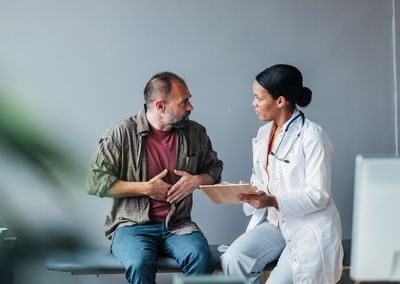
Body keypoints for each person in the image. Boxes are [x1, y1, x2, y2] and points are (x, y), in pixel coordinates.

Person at [87, 71, 223, 284]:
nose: (190, 107)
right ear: (160, 106)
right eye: (184, 102)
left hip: (177, 225)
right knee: (139, 264)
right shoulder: (121, 134)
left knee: (201, 258)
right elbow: (95, 182)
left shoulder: (195, 133)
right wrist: (145, 188)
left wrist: (197, 180)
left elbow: (214, 170)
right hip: (131, 226)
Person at [221, 64, 343, 283]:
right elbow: (262, 178)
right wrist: (249, 190)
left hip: (307, 226)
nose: (254, 104)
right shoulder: (263, 133)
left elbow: (319, 194)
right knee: (233, 259)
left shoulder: (312, 135)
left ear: (280, 101)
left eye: (259, 98)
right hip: (275, 224)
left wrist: (273, 200)